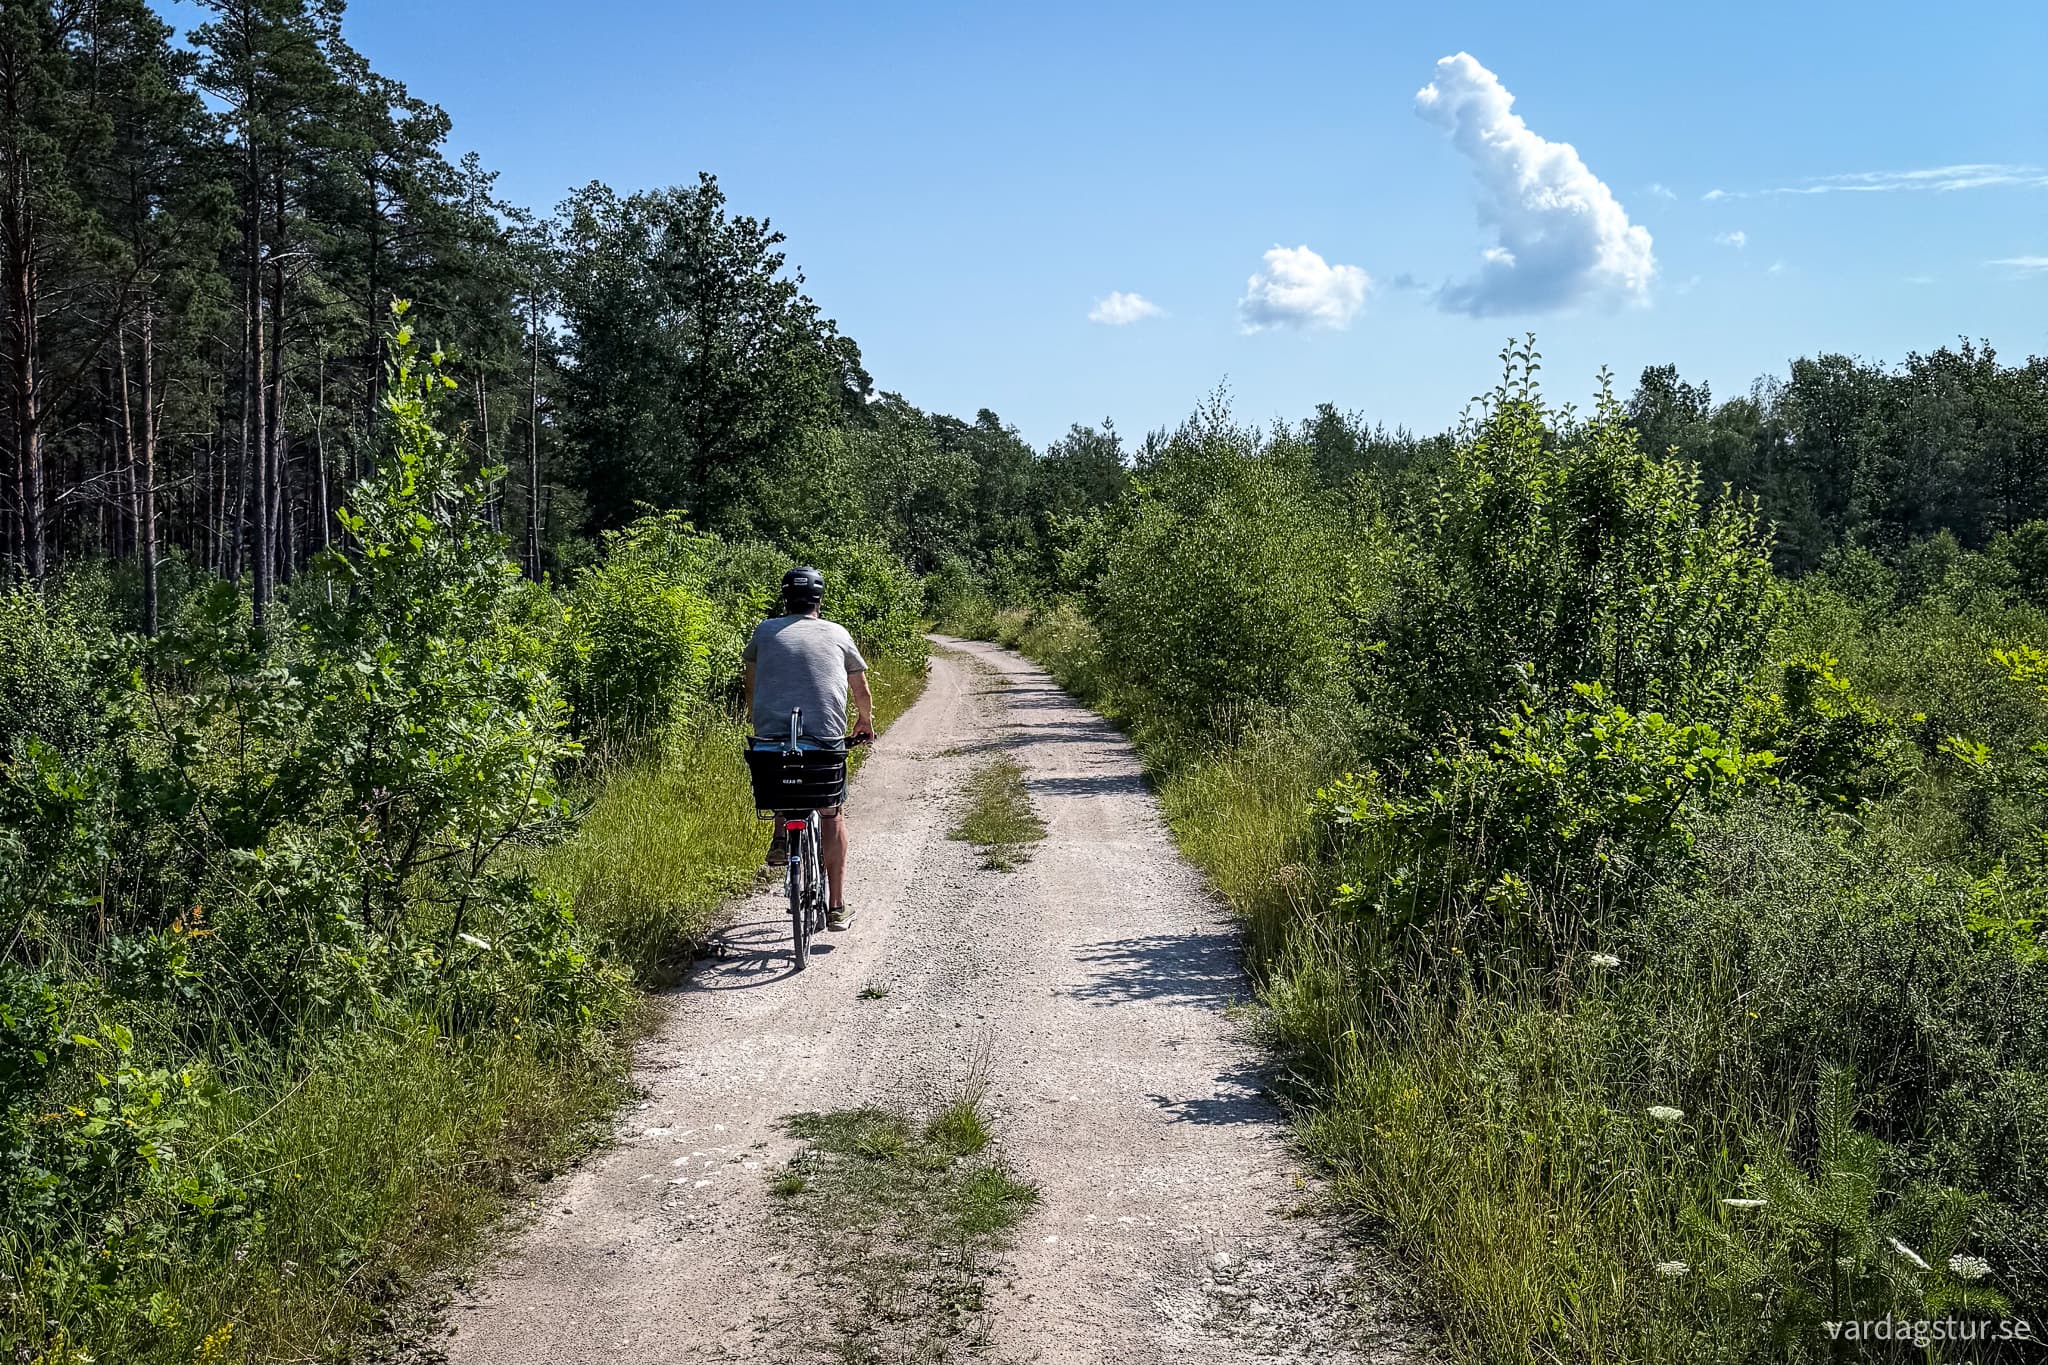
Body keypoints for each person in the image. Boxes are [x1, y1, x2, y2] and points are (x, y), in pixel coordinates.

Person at [743, 565, 874, 930]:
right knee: (832, 813)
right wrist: (864, 722)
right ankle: (836, 906)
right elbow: (859, 688)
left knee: (783, 775)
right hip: (824, 745)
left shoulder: (764, 632)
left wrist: (759, 720)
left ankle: (781, 836)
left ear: (785, 598)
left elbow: (751, 685)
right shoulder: (837, 633)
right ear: (819, 599)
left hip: (770, 745)